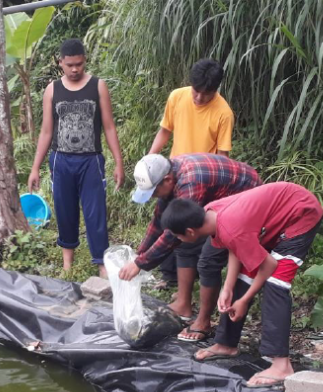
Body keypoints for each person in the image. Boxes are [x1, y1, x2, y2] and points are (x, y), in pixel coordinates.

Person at [160, 183, 323, 388]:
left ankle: (282, 365)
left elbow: (269, 265)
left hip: (300, 213)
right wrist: (227, 287)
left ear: (190, 232)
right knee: (243, 278)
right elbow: (234, 244)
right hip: (276, 217)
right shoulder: (211, 213)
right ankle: (226, 343)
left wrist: (244, 301)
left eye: (178, 237)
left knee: (276, 283)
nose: (179, 240)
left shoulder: (229, 226)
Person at [118, 153, 260, 342]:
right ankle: (183, 304)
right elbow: (159, 222)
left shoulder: (191, 182)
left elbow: (170, 236)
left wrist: (140, 264)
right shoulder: (171, 175)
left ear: (167, 180)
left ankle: (203, 322)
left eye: (153, 192)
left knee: (208, 260)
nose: (153, 197)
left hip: (247, 200)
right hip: (222, 202)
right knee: (182, 238)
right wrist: (139, 254)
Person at [28, 39, 125, 276]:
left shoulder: (97, 86)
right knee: (64, 210)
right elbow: (47, 131)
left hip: (91, 160)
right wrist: (35, 168)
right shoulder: (52, 90)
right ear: (60, 62)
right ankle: (67, 263)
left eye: (79, 64)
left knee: (95, 211)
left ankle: (102, 264)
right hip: (61, 160)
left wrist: (118, 162)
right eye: (69, 65)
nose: (74, 70)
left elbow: (109, 126)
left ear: (84, 61)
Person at [147, 58, 234, 295]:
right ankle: (168, 276)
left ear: (215, 90)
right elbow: (165, 130)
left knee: (190, 231)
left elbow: (223, 157)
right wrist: (150, 159)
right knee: (165, 220)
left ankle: (191, 278)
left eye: (205, 95)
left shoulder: (223, 113)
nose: (198, 98)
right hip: (173, 172)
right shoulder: (177, 97)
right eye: (195, 92)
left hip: (203, 182)